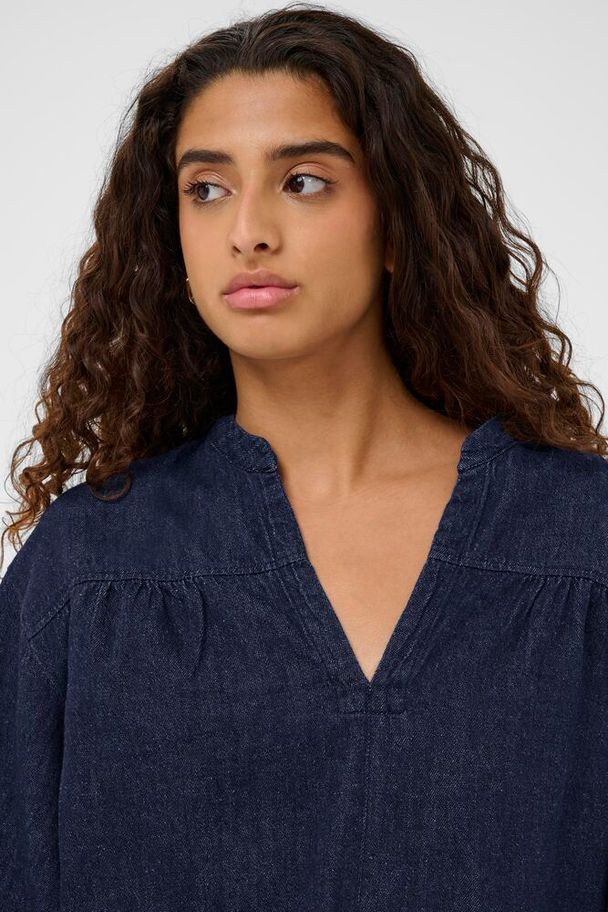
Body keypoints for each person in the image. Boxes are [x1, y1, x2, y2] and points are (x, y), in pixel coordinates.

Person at [1, 3, 607, 910]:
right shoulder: (88, 566)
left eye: (304, 181)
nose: (247, 230)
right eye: (206, 189)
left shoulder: (581, 540)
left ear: (396, 222)